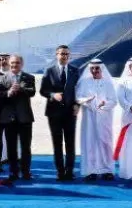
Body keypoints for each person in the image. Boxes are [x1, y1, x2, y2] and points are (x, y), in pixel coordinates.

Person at [40, 44, 81, 180]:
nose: (64, 56)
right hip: (54, 113)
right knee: (57, 143)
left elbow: (79, 91)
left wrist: (77, 105)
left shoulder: (75, 71)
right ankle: (60, 171)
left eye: (67, 54)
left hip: (70, 113)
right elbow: (43, 90)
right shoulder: (49, 71)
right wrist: (53, 95)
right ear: (56, 55)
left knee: (70, 143)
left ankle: (69, 171)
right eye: (62, 54)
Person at [0, 54, 36, 181]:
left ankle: (26, 172)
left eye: (17, 63)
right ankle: (13, 172)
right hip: (9, 119)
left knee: (26, 148)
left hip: (25, 118)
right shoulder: (2, 78)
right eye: (12, 63)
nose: (14, 65)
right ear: (9, 63)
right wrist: (8, 93)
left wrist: (21, 89)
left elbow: (32, 92)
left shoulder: (29, 77)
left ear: (21, 64)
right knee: (11, 148)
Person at [75, 58, 116, 180]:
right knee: (90, 143)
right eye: (92, 68)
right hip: (89, 118)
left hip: (104, 118)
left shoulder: (108, 83)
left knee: (105, 143)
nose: (94, 70)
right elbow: (78, 97)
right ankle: (90, 171)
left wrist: (104, 104)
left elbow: (114, 101)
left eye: (97, 68)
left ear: (101, 68)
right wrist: (86, 101)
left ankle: (107, 170)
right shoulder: (84, 82)